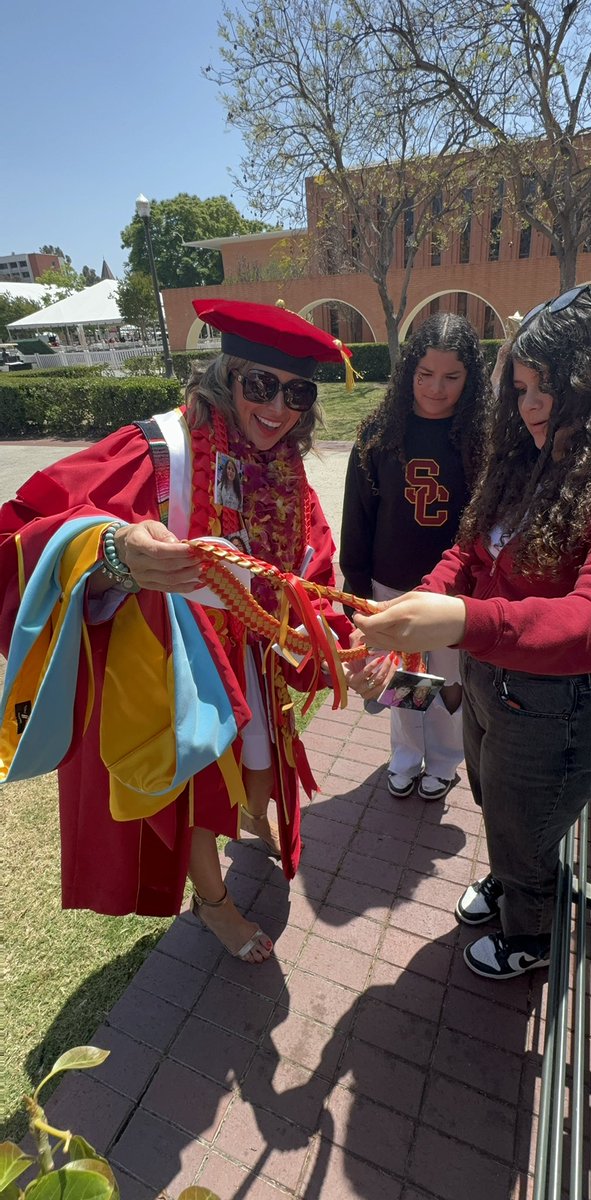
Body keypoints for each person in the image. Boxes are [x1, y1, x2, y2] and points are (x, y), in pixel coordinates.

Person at [0, 298, 353, 964]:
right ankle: (213, 900)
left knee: (253, 768)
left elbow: (311, 559)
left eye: (297, 392)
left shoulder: (281, 466)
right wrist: (112, 552)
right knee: (198, 780)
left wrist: (338, 636)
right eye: (260, 385)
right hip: (180, 660)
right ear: (224, 377)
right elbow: (21, 534)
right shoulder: (158, 450)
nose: (278, 408)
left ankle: (250, 824)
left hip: (252, 649)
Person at [351, 285, 591, 980]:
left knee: (525, 829)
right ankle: (509, 883)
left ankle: (530, 938)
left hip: (554, 709)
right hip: (490, 683)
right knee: (493, 799)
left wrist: (465, 619)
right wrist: (423, 601)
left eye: (547, 387)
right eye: (520, 387)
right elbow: (467, 551)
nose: (527, 405)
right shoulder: (528, 460)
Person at [340, 312, 490, 801]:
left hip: (452, 594)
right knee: (400, 679)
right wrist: (356, 585)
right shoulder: (378, 434)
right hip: (390, 585)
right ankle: (405, 756)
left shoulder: (482, 440)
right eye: (425, 375)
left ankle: (445, 761)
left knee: (449, 682)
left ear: (471, 378)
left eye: (452, 377)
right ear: (408, 372)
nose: (436, 388)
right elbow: (357, 514)